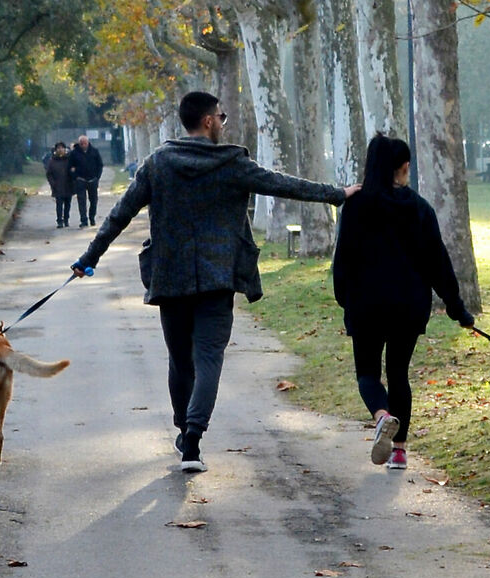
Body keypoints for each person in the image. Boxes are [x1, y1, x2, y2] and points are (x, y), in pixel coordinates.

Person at [72, 90, 354, 473]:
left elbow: (119, 215)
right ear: (207, 121)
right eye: (221, 117)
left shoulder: (158, 163)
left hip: (169, 280)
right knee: (207, 360)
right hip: (219, 279)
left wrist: (88, 259)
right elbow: (284, 185)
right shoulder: (232, 164)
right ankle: (192, 439)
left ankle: (183, 430)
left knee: (179, 361)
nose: (223, 123)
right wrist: (337, 195)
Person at [331, 133, 472, 472]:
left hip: (366, 304)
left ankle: (381, 416)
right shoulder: (420, 208)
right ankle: (399, 452)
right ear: (404, 166)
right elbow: (438, 262)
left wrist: (343, 298)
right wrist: (457, 309)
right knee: (399, 374)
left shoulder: (356, 205)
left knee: (367, 373)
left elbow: (343, 258)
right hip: (408, 306)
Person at [68, 134, 104, 227]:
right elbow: (70, 167)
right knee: (81, 201)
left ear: (88, 142)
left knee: (93, 200)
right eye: (81, 143)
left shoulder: (94, 151)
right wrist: (75, 177)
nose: (83, 145)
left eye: (85, 143)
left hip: (92, 180)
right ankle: (84, 220)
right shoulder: (74, 153)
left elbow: (100, 165)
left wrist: (97, 177)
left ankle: (92, 217)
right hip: (80, 180)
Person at [44, 142, 75, 228]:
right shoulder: (52, 161)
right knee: (59, 204)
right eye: (58, 148)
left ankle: (66, 219)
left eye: (62, 148)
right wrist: (53, 183)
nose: (60, 150)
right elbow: (49, 174)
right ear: (56, 150)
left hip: (68, 185)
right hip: (58, 186)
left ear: (65, 149)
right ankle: (59, 221)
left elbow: (74, 170)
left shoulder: (69, 160)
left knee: (68, 204)